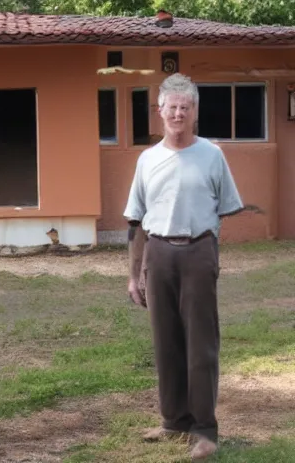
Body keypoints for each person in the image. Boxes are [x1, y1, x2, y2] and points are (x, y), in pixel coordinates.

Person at [123, 73, 244, 460]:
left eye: (185, 107)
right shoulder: (147, 160)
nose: (178, 113)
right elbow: (136, 222)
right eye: (171, 106)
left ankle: (205, 430)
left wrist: (209, 256)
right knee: (166, 341)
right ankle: (173, 420)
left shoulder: (211, 155)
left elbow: (224, 210)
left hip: (198, 252)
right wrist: (133, 274)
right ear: (160, 111)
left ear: (194, 113)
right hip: (158, 255)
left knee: (201, 345)